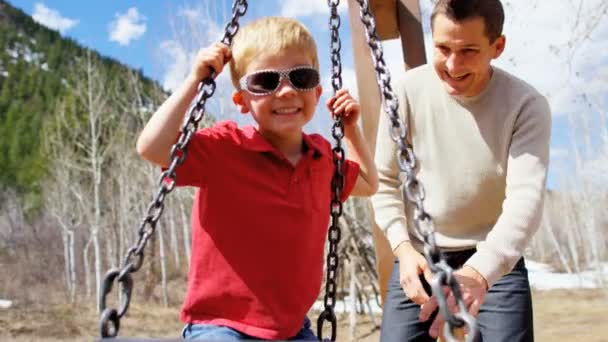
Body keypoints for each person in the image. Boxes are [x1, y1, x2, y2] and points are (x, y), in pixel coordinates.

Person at [136, 17, 378, 341]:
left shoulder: (321, 159)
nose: (287, 90)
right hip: (222, 326)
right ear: (241, 101)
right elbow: (152, 148)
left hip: (292, 330)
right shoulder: (225, 148)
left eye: (301, 77)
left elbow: (367, 182)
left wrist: (351, 131)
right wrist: (195, 80)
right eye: (266, 81)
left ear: (317, 91)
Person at [371, 0, 551, 341]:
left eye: (469, 50)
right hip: (420, 255)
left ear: (497, 47)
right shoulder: (405, 93)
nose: (453, 65)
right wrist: (403, 250)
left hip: (493, 256)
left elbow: (525, 200)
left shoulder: (526, 105)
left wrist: (481, 273)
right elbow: (385, 180)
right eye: (443, 48)